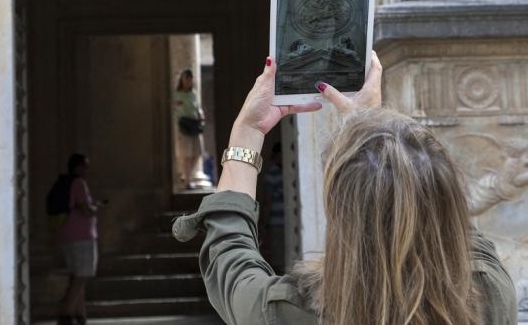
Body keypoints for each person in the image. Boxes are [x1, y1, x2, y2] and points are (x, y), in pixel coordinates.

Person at [173, 52, 517, 325]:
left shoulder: (292, 314)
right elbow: (446, 219)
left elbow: (230, 260)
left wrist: (248, 130)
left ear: (339, 213)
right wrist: (375, 132)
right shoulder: (490, 294)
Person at [57, 154, 103, 325]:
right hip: (82, 236)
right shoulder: (79, 183)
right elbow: (85, 210)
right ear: (78, 167)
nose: (87, 170)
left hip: (67, 235)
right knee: (82, 276)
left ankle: (79, 314)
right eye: (85, 166)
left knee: (76, 276)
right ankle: (66, 314)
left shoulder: (65, 182)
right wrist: (95, 207)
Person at [173, 68, 205, 190]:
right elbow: (175, 109)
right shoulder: (177, 94)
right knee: (185, 154)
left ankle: (186, 176)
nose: (188, 81)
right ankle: (186, 180)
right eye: (186, 79)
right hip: (183, 125)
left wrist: (201, 114)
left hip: (195, 125)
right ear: (182, 80)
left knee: (197, 153)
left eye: (190, 79)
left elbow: (198, 107)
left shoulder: (193, 94)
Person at [260, 141, 285, 273]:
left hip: (283, 223)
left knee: (282, 259)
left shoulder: (285, 171)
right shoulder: (273, 173)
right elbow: (267, 200)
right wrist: (265, 222)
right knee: (278, 260)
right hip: (276, 223)